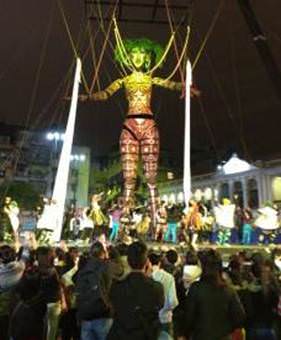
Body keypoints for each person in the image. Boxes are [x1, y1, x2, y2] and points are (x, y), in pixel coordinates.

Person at [77, 36, 199, 225]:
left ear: (148, 58)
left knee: (151, 175)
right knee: (129, 174)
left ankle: (155, 212)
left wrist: (185, 87)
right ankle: (126, 211)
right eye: (134, 54)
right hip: (129, 126)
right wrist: (87, 96)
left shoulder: (152, 79)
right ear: (128, 58)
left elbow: (171, 84)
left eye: (142, 53)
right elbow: (105, 94)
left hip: (149, 125)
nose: (138, 57)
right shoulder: (123, 80)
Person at [177, 249, 245, 340]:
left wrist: (184, 333)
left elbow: (189, 317)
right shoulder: (229, 290)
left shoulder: (196, 289)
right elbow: (240, 317)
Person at [107, 241, 164, 340]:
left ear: (128, 261)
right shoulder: (156, 287)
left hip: (121, 335)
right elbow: (159, 305)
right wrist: (149, 278)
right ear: (147, 262)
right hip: (145, 335)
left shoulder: (116, 287)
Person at [75, 241, 113, 340]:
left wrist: (79, 315)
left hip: (86, 316)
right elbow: (110, 288)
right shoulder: (107, 267)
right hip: (103, 315)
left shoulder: (83, 270)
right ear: (103, 253)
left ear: (91, 254)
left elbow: (78, 294)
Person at [149, 252, 178, 338]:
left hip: (149, 320)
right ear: (159, 263)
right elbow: (173, 302)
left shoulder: (145, 277)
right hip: (166, 318)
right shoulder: (169, 277)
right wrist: (165, 309)